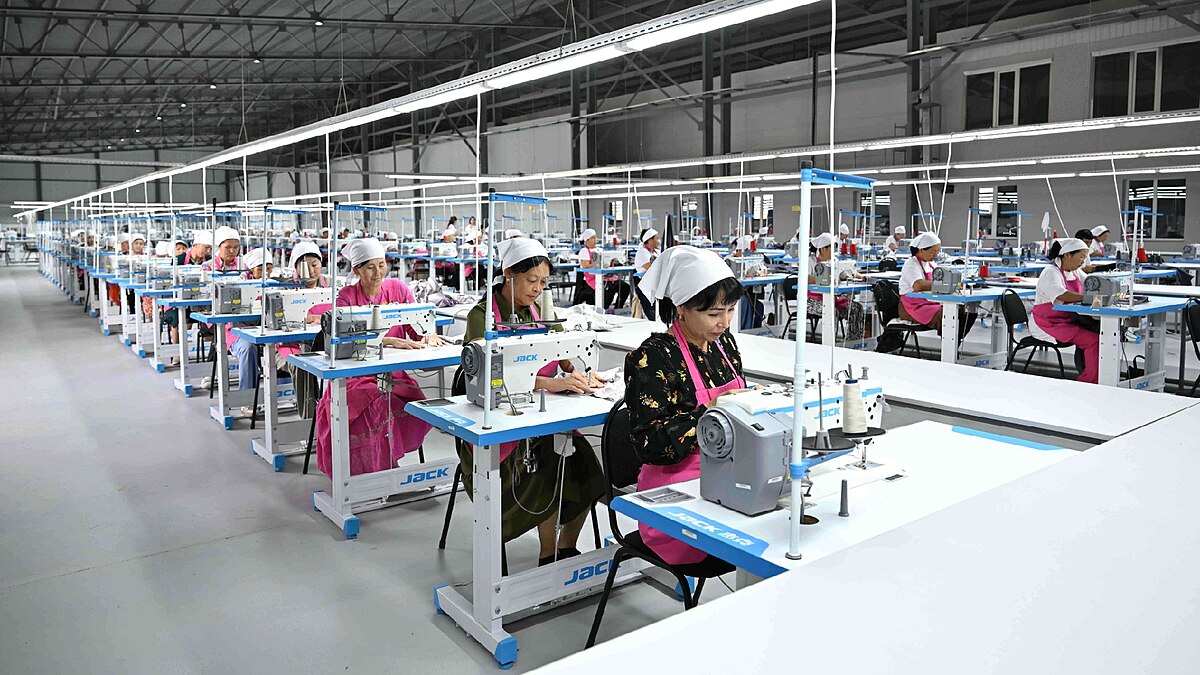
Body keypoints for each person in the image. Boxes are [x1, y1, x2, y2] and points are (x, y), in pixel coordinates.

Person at [462, 237, 606, 566]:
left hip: (542, 417)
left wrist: (580, 372)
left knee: (587, 466)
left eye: (543, 282)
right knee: (550, 464)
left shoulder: (540, 312)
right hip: (498, 424)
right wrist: (553, 384)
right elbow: (491, 377)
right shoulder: (481, 317)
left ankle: (565, 548)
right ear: (508, 274)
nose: (538, 289)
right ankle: (547, 554)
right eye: (531, 280)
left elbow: (563, 348)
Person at [624, 245, 742, 567]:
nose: (724, 323)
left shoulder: (723, 345)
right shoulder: (651, 357)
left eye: (730, 310)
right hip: (676, 497)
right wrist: (710, 413)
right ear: (682, 308)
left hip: (726, 479)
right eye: (714, 314)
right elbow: (649, 444)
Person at [314, 238, 444, 478]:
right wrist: (388, 340)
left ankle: (386, 466)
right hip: (355, 374)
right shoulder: (346, 297)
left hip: (392, 373)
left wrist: (428, 335)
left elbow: (416, 327)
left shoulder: (398, 289)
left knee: (415, 402)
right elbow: (343, 339)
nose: (377, 273)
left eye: (381, 265)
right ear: (356, 270)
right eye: (370, 267)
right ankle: (378, 471)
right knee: (377, 403)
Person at [273, 241, 330, 419]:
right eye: (305, 266)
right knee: (302, 365)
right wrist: (305, 318)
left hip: (323, 345)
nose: (312, 271)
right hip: (288, 346)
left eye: (315, 265)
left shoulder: (331, 284)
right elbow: (276, 319)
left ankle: (334, 416)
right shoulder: (285, 287)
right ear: (295, 267)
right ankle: (310, 421)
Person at [1029, 238, 1098, 384]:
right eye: (1081, 257)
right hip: (1047, 323)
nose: (1083, 262)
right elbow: (1062, 295)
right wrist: (1088, 297)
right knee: (1093, 341)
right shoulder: (1050, 272)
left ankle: (1092, 374)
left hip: (1065, 319)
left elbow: (1091, 284)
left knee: (1096, 331)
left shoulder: (1075, 272)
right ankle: (1089, 381)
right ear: (1067, 255)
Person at [897, 231, 976, 339]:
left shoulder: (931, 264)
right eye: (933, 251)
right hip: (912, 306)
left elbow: (943, 279)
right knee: (947, 314)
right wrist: (946, 283)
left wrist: (953, 282)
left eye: (938, 251)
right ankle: (949, 342)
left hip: (928, 302)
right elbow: (918, 285)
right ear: (921, 250)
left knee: (962, 309)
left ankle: (954, 341)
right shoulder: (911, 264)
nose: (936, 255)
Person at [229, 248, 273, 404]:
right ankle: (246, 400)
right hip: (238, 332)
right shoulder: (239, 284)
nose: (266, 272)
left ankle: (282, 393)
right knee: (248, 348)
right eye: (260, 268)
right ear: (250, 269)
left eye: (269, 268)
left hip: (267, 330)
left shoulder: (275, 285)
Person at [807, 232, 866, 341]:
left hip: (833, 298)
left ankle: (853, 343)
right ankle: (830, 344)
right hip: (811, 299)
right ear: (823, 249)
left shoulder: (834, 260)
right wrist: (824, 277)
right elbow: (805, 278)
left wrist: (861, 277)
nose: (833, 251)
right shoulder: (810, 261)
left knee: (856, 309)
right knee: (831, 312)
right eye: (831, 248)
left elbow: (846, 271)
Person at [575, 228, 631, 309]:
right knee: (609, 289)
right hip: (593, 278)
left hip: (606, 276)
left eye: (595, 237)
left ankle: (618, 307)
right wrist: (599, 264)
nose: (595, 240)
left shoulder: (600, 250)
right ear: (587, 240)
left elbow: (607, 261)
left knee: (625, 287)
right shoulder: (584, 251)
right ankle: (603, 308)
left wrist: (611, 262)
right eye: (593, 238)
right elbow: (585, 265)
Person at [633, 228, 661, 320]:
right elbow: (650, 268)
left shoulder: (657, 252)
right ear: (650, 240)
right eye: (656, 238)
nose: (658, 241)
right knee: (652, 314)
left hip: (655, 284)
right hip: (644, 286)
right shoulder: (642, 253)